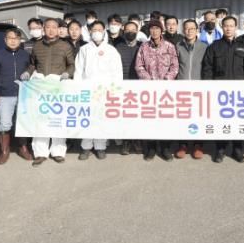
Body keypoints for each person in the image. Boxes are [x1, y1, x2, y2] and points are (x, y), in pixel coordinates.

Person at [21, 18, 75, 166]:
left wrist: (67, 74)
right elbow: (33, 65)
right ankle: (40, 153)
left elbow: (71, 65)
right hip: (40, 88)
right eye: (48, 27)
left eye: (54, 27)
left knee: (57, 119)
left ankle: (58, 152)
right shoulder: (37, 46)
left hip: (58, 87)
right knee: (40, 119)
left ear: (58, 29)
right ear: (44, 29)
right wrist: (27, 73)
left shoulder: (65, 46)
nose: (51, 30)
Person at [202, 15, 244, 163]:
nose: (229, 28)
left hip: (239, 92)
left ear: (236, 28)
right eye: (226, 26)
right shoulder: (214, 46)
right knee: (220, 120)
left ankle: (237, 149)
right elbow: (207, 68)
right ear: (222, 27)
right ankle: (220, 149)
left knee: (238, 120)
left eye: (231, 26)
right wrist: (208, 87)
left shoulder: (243, 46)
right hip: (220, 92)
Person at [75, 20, 124, 160]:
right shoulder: (84, 49)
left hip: (105, 91)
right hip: (87, 90)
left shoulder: (111, 50)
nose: (97, 32)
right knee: (87, 119)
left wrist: (114, 89)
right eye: (94, 30)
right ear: (90, 31)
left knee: (102, 118)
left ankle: (100, 146)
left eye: (99, 30)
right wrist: (78, 88)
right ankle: (86, 147)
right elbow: (78, 70)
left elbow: (117, 72)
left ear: (104, 32)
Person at [135, 20, 179, 161]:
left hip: (166, 91)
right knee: (150, 119)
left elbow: (175, 66)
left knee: (165, 119)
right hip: (149, 90)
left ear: (161, 30)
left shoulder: (169, 46)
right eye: (152, 28)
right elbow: (139, 66)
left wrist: (167, 80)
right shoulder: (144, 47)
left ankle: (165, 148)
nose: (154, 31)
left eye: (157, 28)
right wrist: (148, 80)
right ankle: (151, 148)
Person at [0, 28, 32, 164]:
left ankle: (23, 148)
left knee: (22, 122)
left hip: (23, 95)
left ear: (20, 40)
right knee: (5, 123)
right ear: (5, 39)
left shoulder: (25, 55)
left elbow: (32, 68)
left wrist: (28, 72)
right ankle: (4, 151)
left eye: (16, 38)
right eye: (10, 38)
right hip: (5, 95)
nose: (13, 41)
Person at [175, 19, 208, 159]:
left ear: (197, 30)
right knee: (183, 117)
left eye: (192, 28)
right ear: (183, 30)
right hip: (182, 87)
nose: (189, 31)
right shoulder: (178, 46)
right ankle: (182, 144)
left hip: (198, 88)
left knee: (198, 117)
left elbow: (207, 67)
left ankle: (198, 145)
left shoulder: (204, 47)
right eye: (187, 28)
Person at [114, 21, 143, 155]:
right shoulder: (117, 47)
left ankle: (136, 141)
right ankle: (126, 141)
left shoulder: (142, 46)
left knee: (137, 115)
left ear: (137, 31)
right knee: (124, 115)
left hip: (138, 85)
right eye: (127, 30)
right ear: (123, 31)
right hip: (123, 85)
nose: (130, 32)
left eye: (133, 30)